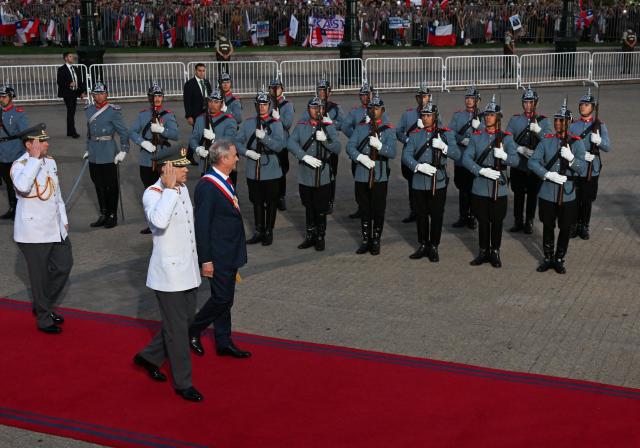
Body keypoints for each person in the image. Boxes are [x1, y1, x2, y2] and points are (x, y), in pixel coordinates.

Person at [133, 146, 203, 403]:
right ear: (167, 169)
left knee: (183, 324)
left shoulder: (182, 189)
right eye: (181, 166)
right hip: (170, 276)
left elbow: (189, 230)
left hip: (188, 270)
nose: (187, 170)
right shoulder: (153, 194)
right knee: (178, 332)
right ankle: (183, 383)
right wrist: (170, 190)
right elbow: (159, 222)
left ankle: (149, 356)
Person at [188, 140, 251, 360]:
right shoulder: (207, 186)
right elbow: (202, 226)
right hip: (217, 255)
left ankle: (223, 341)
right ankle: (192, 330)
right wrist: (205, 260)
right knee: (222, 298)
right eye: (234, 155)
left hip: (229, 251)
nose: (237, 158)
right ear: (223, 158)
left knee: (226, 298)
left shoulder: (226, 179)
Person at [12, 124, 72, 334]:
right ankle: (44, 318)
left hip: (55, 226)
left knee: (64, 266)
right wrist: (35, 160)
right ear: (29, 145)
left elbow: (57, 194)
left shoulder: (51, 161)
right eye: (42, 141)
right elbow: (22, 186)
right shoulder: (20, 165)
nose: (47, 144)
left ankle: (42, 305)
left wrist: (63, 218)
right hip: (33, 231)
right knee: (39, 278)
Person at [529, 100, 587, 274]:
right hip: (548, 191)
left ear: (569, 123)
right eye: (556, 120)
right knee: (547, 225)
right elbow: (533, 162)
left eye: (561, 120)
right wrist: (546, 174)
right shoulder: (546, 141)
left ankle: (560, 258)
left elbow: (583, 169)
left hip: (567, 193)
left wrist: (571, 159)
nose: (557, 123)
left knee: (565, 227)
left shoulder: (576, 143)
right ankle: (548, 257)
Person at [463, 95, 519, 268]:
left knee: (497, 221)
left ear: (498, 118)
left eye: (492, 115)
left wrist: (504, 157)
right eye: (486, 114)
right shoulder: (476, 136)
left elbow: (515, 160)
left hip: (499, 186)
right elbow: (466, 159)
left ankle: (495, 251)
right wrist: (480, 170)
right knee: (482, 220)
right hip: (480, 186)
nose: (488, 117)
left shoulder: (506, 138)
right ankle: (482, 251)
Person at [402, 102, 459, 262]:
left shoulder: (446, 134)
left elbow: (457, 154)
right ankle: (422, 244)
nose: (425, 118)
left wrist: (444, 147)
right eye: (424, 116)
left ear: (435, 117)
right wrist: (418, 166)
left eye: (428, 116)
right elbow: (406, 156)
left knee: (436, 215)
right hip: (419, 181)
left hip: (438, 181)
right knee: (421, 215)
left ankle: (434, 245)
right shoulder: (414, 135)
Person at [287, 97, 341, 251]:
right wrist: (303, 156)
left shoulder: (328, 127)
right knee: (308, 206)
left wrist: (325, 140)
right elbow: (291, 142)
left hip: (322, 173)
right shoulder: (302, 125)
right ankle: (310, 235)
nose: (316, 110)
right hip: (306, 173)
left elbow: (337, 148)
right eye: (313, 107)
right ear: (308, 109)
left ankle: (320, 236)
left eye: (319, 107)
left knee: (321, 207)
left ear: (323, 109)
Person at [346, 92, 397, 256]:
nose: (373, 111)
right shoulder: (361, 127)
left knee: (378, 209)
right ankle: (366, 239)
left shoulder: (389, 130)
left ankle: (376, 239)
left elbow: (393, 153)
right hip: (362, 173)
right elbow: (350, 147)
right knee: (365, 208)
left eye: (377, 108)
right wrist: (360, 157)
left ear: (382, 110)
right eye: (371, 108)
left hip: (380, 174)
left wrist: (380, 146)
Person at [236, 88, 286, 246]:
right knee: (256, 201)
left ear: (269, 105)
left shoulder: (276, 124)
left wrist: (265, 138)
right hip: (254, 169)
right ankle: (259, 230)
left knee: (271, 201)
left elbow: (280, 146)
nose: (262, 107)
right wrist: (246, 152)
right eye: (259, 104)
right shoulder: (249, 122)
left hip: (271, 168)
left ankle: (269, 231)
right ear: (255, 105)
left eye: (265, 104)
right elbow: (237, 141)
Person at [129, 83, 179, 234]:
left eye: (159, 96)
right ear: (149, 98)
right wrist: (142, 142)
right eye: (154, 96)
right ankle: (152, 222)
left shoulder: (168, 114)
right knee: (150, 190)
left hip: (163, 157)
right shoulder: (143, 114)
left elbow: (175, 135)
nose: (157, 99)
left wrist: (162, 130)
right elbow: (132, 132)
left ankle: (168, 220)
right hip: (146, 157)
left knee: (166, 189)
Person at [505, 85, 552, 234]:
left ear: (536, 103)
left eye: (531, 102)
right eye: (526, 102)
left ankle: (529, 221)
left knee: (532, 195)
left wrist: (539, 131)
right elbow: (507, 138)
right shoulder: (515, 119)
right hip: (519, 163)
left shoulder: (544, 122)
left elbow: (550, 141)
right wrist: (519, 149)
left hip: (534, 165)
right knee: (518, 194)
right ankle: (518, 221)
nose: (528, 105)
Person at [84, 82, 129, 229]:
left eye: (101, 93)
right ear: (93, 95)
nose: (99, 96)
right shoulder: (89, 110)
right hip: (94, 153)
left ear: (106, 94)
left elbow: (123, 132)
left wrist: (123, 150)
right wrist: (87, 148)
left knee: (111, 185)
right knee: (98, 184)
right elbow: (89, 132)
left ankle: (112, 215)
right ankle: (103, 214)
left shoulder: (113, 111)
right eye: (96, 94)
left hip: (109, 152)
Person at [569, 89, 611, 241]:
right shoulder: (573, 126)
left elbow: (607, 146)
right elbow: (566, 144)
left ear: (592, 108)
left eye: (586, 105)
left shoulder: (599, 125)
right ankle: (573, 224)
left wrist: (599, 141)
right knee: (574, 198)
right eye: (581, 105)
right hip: (576, 165)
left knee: (587, 199)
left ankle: (584, 226)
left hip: (592, 168)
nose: (583, 107)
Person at [395, 82, 437, 224]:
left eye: (425, 96)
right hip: (413, 156)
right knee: (412, 185)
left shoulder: (435, 114)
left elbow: (440, 132)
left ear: (429, 97)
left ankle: (429, 210)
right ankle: (414, 210)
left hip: (428, 155)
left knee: (429, 184)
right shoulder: (408, 114)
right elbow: (398, 131)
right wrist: (408, 140)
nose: (422, 99)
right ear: (416, 98)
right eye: (420, 96)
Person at [449, 85, 481, 230]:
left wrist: (479, 128)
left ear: (478, 101)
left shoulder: (484, 117)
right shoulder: (458, 115)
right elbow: (450, 132)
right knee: (463, 189)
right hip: (461, 159)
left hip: (475, 160)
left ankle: (472, 216)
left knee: (474, 189)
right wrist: (462, 140)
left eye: (472, 99)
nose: (469, 101)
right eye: (467, 98)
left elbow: (491, 135)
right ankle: (463, 216)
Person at [315, 78, 346, 214]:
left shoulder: (336, 107)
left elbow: (344, 124)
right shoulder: (313, 106)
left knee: (331, 174)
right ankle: (319, 198)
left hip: (331, 144)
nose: (321, 92)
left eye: (324, 90)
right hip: (316, 144)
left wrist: (331, 122)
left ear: (330, 92)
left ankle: (329, 201)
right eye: (320, 90)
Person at [190, 89, 238, 176]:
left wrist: (214, 138)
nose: (212, 104)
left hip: (223, 165)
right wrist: (197, 149)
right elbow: (194, 138)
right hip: (205, 164)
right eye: (210, 101)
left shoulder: (229, 120)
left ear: (221, 103)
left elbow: (230, 141)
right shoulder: (200, 119)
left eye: (216, 102)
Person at [0, 84, 29, 220]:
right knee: (7, 182)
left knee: (16, 183)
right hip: (2, 153)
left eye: (4, 96)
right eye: (0, 96)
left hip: (15, 152)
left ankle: (21, 208)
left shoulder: (18, 113)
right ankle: (12, 207)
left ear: (11, 97)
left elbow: (24, 134)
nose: (1, 99)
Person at [268, 78, 295, 211]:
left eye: (277, 88)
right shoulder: (265, 103)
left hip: (282, 142)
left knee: (282, 170)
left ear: (282, 89)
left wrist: (279, 118)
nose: (274, 90)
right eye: (272, 88)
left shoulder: (287, 105)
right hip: (268, 141)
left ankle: (281, 196)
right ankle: (271, 196)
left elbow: (288, 124)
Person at [56, 52, 86, 139]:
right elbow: (60, 81)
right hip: (67, 93)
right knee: (71, 111)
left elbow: (80, 81)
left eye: (72, 56)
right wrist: (69, 83)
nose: (72, 58)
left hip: (74, 93)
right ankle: (73, 132)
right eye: (70, 56)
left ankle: (70, 131)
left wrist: (82, 92)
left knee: (71, 112)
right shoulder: (61, 69)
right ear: (66, 58)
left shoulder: (75, 68)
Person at [183, 63, 212, 128]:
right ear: (195, 71)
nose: (202, 73)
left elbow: (210, 97)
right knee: (198, 134)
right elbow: (187, 101)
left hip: (208, 113)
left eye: (203, 71)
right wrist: (189, 116)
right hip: (196, 114)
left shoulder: (207, 82)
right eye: (200, 71)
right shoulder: (189, 84)